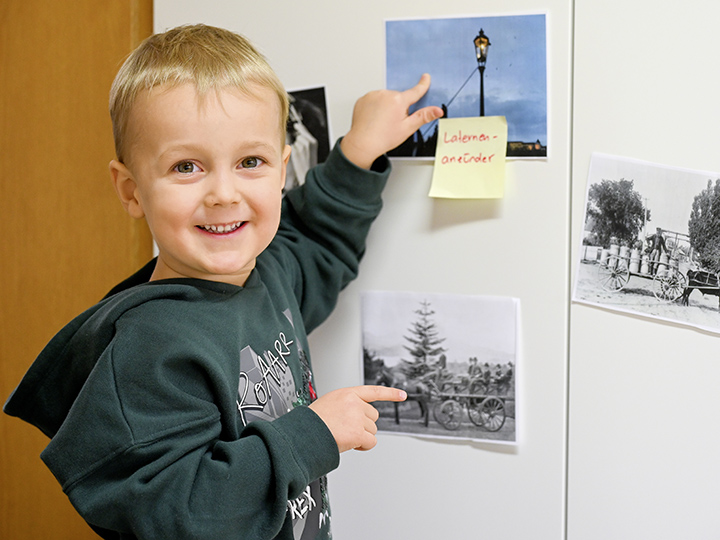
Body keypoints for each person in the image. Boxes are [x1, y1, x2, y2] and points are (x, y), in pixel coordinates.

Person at [3, 24, 443, 540]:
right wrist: (313, 435)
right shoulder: (148, 348)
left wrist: (356, 154)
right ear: (131, 190)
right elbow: (182, 514)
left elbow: (318, 242)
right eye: (186, 166)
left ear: (282, 170)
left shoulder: (266, 275)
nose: (224, 193)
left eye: (250, 162)